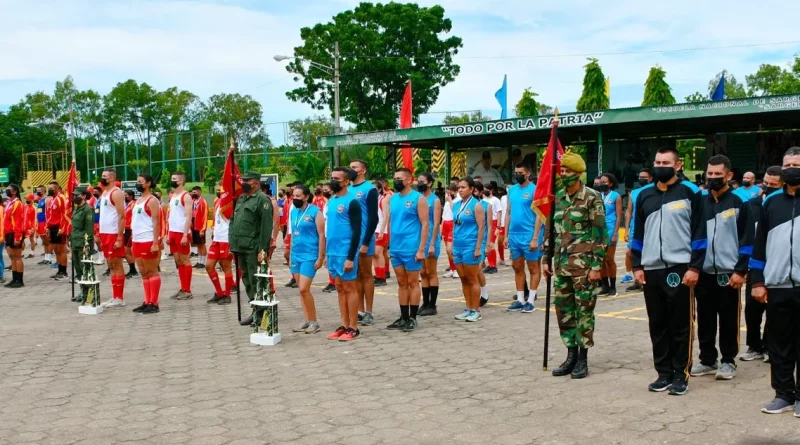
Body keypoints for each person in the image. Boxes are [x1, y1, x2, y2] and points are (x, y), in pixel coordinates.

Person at [632, 147, 703, 395]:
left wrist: (694, 266)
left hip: (680, 268)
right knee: (657, 323)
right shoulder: (644, 196)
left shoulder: (690, 192)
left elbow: (699, 233)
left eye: (666, 162)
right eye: (658, 161)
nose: (661, 165)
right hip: (651, 269)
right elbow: (637, 233)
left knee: (680, 323)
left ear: (678, 165)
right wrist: (637, 265)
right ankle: (663, 373)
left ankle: (680, 374)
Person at [543, 152, 607, 380]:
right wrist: (545, 259)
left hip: (585, 268)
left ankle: (583, 358)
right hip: (561, 266)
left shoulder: (591, 197)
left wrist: (597, 266)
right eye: (562, 171)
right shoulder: (558, 197)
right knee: (564, 312)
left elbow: (601, 234)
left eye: (568, 171)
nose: (563, 174)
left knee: (584, 313)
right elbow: (550, 231)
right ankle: (570, 355)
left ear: (578, 174)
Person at [688, 155, 752, 382]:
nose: (713, 178)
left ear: (729, 176)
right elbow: (694, 236)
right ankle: (707, 360)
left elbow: (747, 240)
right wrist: (693, 267)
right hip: (703, 272)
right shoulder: (699, 203)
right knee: (704, 317)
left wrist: (740, 271)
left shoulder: (739, 203)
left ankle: (728, 361)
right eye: (710, 174)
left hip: (728, 273)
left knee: (728, 318)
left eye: (718, 174)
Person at [749, 146, 800, 415]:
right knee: (779, 343)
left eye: (797, 164)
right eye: (787, 165)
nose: (791, 169)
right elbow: (760, 245)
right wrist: (757, 281)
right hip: (777, 284)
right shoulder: (771, 202)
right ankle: (783, 394)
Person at [741, 165, 782, 363]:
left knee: (774, 309)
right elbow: (747, 237)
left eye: (773, 185)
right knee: (752, 309)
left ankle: (768, 346)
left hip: (778, 265)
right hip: (755, 264)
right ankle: (754, 346)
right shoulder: (751, 205)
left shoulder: (784, 206)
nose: (768, 187)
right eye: (765, 183)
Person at [230, 171, 279, 326]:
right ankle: (255, 309)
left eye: (247, 180)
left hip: (253, 248)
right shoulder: (241, 198)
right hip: (240, 247)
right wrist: (232, 243)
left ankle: (261, 312)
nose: (243, 182)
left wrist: (263, 250)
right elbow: (234, 221)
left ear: (256, 183)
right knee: (246, 280)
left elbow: (266, 227)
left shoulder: (262, 200)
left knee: (256, 280)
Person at [385, 169, 428, 331]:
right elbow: (391, 222)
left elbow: (425, 224)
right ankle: (403, 317)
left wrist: (421, 249)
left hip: (411, 248)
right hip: (396, 248)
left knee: (412, 282)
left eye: (400, 178)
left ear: (409, 180)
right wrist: (389, 245)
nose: (396, 181)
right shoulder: (393, 199)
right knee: (401, 283)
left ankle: (412, 317)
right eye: (394, 178)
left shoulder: (418, 199)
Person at [325, 167, 363, 341]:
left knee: (350, 288)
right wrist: (326, 253)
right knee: (339, 288)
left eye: (337, 179)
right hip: (332, 252)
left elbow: (357, 231)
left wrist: (350, 256)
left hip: (345, 252)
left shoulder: (352, 202)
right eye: (332, 178)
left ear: (346, 182)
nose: (333, 181)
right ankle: (344, 324)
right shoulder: (331, 201)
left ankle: (353, 327)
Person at [505, 163, 544, 313]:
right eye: (516, 172)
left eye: (520, 172)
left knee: (533, 268)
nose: (517, 175)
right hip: (514, 235)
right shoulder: (512, 190)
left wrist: (535, 237)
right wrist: (506, 234)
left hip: (529, 235)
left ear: (528, 173)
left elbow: (540, 215)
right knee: (517, 267)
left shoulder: (535, 190)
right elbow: (508, 212)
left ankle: (531, 300)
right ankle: (520, 299)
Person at [289, 185, 326, 334]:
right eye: (293, 196)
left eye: (298, 196)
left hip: (310, 255)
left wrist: (320, 256)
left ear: (305, 196)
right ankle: (306, 320)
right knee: (301, 290)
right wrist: (290, 253)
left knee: (305, 288)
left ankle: (314, 322)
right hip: (296, 254)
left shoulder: (315, 212)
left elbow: (322, 235)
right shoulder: (293, 212)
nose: (295, 198)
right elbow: (293, 233)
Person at [349, 160, 380, 327]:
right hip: (350, 239)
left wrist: (366, 242)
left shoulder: (369, 189)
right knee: (355, 276)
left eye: (354, 167)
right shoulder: (347, 190)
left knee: (366, 274)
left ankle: (369, 311)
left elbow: (373, 217)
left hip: (364, 239)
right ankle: (359, 310)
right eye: (350, 167)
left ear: (363, 170)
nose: (351, 170)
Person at [450, 177, 485, 322]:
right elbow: (454, 224)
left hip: (470, 245)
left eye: (463, 187)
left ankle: (476, 310)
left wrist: (478, 248)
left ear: (471, 189)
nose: (460, 190)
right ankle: (468, 308)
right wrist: (452, 243)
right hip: (458, 245)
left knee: (472, 279)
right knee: (463, 279)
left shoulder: (476, 205)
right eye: (458, 188)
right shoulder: (456, 205)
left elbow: (481, 227)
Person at [130, 174, 163, 314]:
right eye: (137, 181)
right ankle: (146, 300)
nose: (138, 184)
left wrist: (155, 242)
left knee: (151, 271)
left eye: (140, 182)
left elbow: (156, 222)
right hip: (136, 241)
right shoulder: (138, 201)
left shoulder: (152, 200)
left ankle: (154, 303)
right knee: (143, 272)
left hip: (147, 240)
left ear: (148, 183)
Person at [98, 170, 128, 307]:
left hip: (113, 234)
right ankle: (114, 295)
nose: (102, 178)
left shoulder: (116, 193)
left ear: (112, 178)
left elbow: (122, 216)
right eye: (102, 176)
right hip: (105, 233)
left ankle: (119, 298)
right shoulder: (104, 193)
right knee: (110, 264)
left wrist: (119, 237)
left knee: (116, 264)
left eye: (105, 176)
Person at [621, 169, 653, 290]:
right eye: (640, 177)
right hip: (635, 228)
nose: (641, 179)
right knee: (630, 252)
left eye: (644, 177)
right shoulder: (634, 192)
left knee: (646, 254)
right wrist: (627, 229)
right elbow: (629, 211)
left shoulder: (653, 190)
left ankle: (646, 280)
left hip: (649, 228)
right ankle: (637, 279)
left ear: (650, 178)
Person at [205, 183, 235, 306]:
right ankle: (219, 292)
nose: (218, 192)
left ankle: (227, 295)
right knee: (209, 266)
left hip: (226, 239)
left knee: (226, 266)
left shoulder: (232, 203)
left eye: (221, 190)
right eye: (217, 190)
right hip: (216, 239)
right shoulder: (217, 202)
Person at [167, 172, 194, 300]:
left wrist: (185, 234)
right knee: (178, 261)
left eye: (174, 179)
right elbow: (172, 216)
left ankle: (187, 290)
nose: (172, 180)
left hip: (181, 233)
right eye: (171, 178)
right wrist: (168, 233)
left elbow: (189, 216)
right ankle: (182, 288)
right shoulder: (173, 196)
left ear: (181, 181)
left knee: (185, 260)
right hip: (173, 232)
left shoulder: (186, 196)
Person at [418, 172, 441, 316]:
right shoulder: (418, 198)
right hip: (420, 238)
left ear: (430, 183)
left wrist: (432, 243)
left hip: (431, 237)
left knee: (431, 272)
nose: (419, 183)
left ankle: (432, 304)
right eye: (418, 180)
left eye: (422, 181)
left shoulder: (435, 200)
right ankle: (425, 302)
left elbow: (437, 222)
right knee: (423, 272)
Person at [598, 173, 623, 296]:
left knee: (609, 259)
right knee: (601, 260)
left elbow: (619, 216)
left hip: (610, 229)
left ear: (611, 183)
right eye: (600, 182)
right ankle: (605, 286)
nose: (602, 184)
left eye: (604, 182)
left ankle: (613, 287)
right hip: (599, 231)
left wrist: (615, 233)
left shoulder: (616, 196)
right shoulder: (598, 196)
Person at [69, 186, 95, 302]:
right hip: (75, 242)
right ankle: (82, 291)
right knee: (78, 269)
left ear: (84, 196)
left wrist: (86, 244)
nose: (75, 197)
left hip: (83, 244)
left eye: (77, 195)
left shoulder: (87, 209)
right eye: (74, 195)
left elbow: (89, 229)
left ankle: (88, 293)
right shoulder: (76, 209)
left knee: (85, 269)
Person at [4, 184, 26, 288]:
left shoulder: (17, 203)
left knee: (17, 257)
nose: (7, 191)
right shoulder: (9, 203)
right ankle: (14, 278)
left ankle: (20, 280)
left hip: (14, 233)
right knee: (12, 257)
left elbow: (18, 221)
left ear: (15, 192)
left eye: (9, 190)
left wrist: (18, 237)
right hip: (8, 233)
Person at [46, 181, 69, 279]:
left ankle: (64, 272)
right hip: (52, 228)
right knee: (56, 250)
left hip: (59, 227)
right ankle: (59, 270)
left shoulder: (61, 198)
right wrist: (47, 227)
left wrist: (62, 228)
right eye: (49, 188)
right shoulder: (52, 199)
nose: (50, 190)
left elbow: (65, 214)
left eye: (52, 188)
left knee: (61, 250)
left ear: (57, 188)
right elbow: (50, 215)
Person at [320, 184, 337, 293]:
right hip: (327, 234)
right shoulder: (327, 202)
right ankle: (332, 282)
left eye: (326, 190)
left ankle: (335, 282)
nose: (324, 192)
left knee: (333, 258)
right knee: (329, 258)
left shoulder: (334, 202)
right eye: (323, 190)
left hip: (334, 234)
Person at [373, 179, 391, 287]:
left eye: (375, 189)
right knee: (374, 255)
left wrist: (382, 230)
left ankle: (382, 277)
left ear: (380, 189)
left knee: (378, 253)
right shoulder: (373, 200)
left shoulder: (383, 200)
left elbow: (386, 216)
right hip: (373, 230)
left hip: (381, 230)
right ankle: (378, 275)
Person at [482, 183, 502, 275]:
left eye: (487, 189)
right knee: (488, 245)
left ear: (491, 190)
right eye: (484, 189)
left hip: (494, 223)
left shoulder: (496, 200)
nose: (485, 191)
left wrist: (498, 226)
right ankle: (490, 265)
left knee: (491, 245)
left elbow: (499, 213)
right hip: (486, 223)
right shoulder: (483, 200)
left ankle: (493, 266)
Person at [441, 184, 459, 279]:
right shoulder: (447, 202)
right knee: (447, 251)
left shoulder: (458, 200)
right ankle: (452, 269)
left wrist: (450, 200)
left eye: (450, 192)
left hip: (453, 224)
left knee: (450, 249)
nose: (448, 194)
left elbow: (455, 211)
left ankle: (457, 269)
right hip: (445, 225)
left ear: (455, 191)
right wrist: (441, 228)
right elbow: (444, 215)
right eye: (447, 192)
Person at [189, 186, 209, 269]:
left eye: (195, 192)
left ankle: (203, 262)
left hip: (200, 227)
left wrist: (203, 229)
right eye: (193, 192)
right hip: (194, 226)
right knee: (197, 245)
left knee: (202, 245)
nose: (193, 194)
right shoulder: (193, 201)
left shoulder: (203, 202)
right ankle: (199, 261)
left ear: (200, 192)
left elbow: (205, 216)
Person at [123, 190, 139, 279]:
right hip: (125, 229)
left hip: (130, 229)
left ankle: (133, 270)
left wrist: (133, 231)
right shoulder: (126, 204)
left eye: (126, 195)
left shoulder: (133, 204)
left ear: (131, 196)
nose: (125, 197)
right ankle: (132, 269)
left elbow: (135, 218)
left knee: (126, 251)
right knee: (126, 252)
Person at [35, 186, 52, 265]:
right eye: (37, 191)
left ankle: (49, 258)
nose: (37, 192)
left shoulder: (47, 199)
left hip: (45, 222)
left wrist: (48, 223)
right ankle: (45, 257)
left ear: (44, 191)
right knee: (44, 241)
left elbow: (48, 212)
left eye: (39, 191)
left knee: (47, 240)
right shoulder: (40, 200)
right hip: (40, 222)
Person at [23, 194, 36, 259]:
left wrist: (33, 228)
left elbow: (35, 219)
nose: (26, 200)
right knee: (21, 239)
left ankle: (32, 253)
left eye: (28, 199)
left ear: (31, 199)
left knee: (31, 239)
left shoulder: (33, 208)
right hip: (24, 226)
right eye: (26, 199)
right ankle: (21, 252)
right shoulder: (25, 206)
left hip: (30, 227)